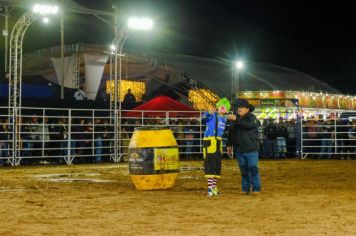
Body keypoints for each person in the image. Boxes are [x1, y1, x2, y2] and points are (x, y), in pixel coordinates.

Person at [227, 99, 261, 195]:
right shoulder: (236, 119)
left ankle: (256, 189)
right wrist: (229, 144)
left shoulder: (252, 117)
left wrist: (236, 120)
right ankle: (245, 188)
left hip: (251, 149)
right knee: (244, 170)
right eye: (238, 107)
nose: (239, 109)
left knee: (252, 169)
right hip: (239, 149)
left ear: (247, 109)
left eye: (241, 107)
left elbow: (248, 126)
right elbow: (231, 132)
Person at [202, 98, 231, 197]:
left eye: (225, 107)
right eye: (221, 107)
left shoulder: (225, 118)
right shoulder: (212, 115)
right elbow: (203, 118)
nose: (223, 109)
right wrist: (208, 112)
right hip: (210, 141)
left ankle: (213, 187)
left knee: (216, 166)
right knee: (210, 165)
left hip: (218, 142)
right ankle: (210, 188)